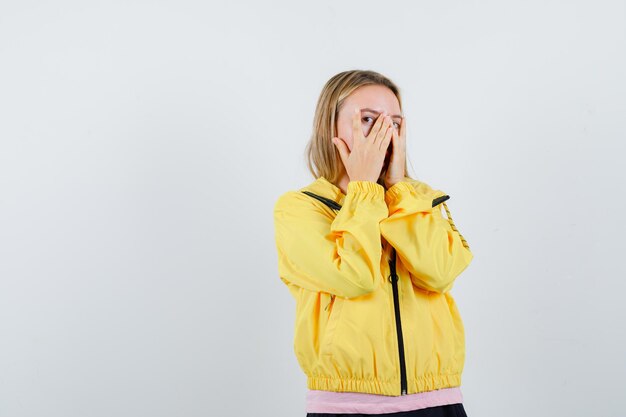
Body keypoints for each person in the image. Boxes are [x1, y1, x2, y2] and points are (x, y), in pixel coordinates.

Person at [272, 69, 474, 417]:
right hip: (346, 406)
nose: (384, 133)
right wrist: (364, 189)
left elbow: (440, 272)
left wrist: (397, 191)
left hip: (437, 401)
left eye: (394, 122)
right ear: (330, 127)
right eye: (368, 119)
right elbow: (355, 277)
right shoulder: (300, 209)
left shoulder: (420, 199)